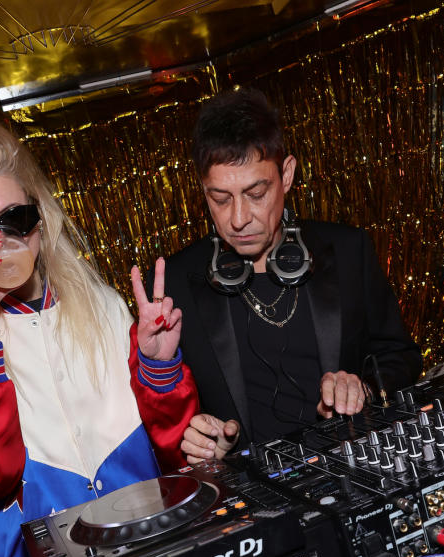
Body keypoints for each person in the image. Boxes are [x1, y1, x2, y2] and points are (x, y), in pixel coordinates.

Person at [0, 118, 197, 557]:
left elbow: (175, 447)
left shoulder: (99, 302)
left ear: (41, 217)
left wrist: (158, 365)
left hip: (146, 549)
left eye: (15, 220)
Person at [156, 88, 422, 467]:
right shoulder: (177, 281)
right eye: (220, 198)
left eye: (256, 193)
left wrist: (362, 387)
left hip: (356, 469)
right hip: (256, 498)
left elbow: (402, 357)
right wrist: (205, 441)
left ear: (287, 174)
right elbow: (170, 415)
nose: (238, 218)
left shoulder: (347, 250)